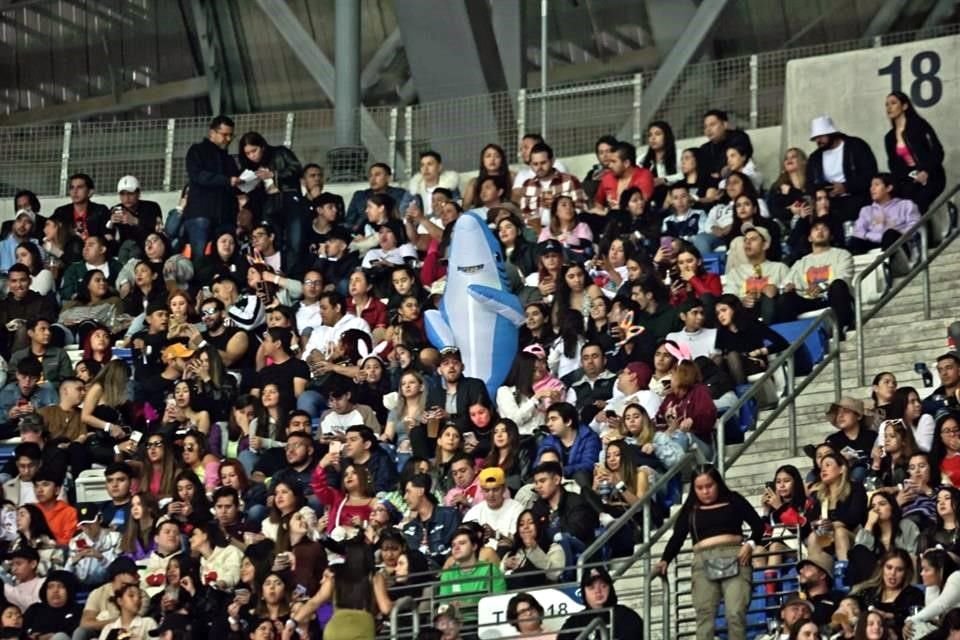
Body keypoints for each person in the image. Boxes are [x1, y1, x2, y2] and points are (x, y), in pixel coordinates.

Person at [656, 464, 764, 640]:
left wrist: (750, 544)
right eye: (699, 488)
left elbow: (758, 525)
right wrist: (665, 560)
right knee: (705, 617)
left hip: (736, 556)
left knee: (735, 613)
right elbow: (678, 537)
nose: (705, 491)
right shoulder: (690, 508)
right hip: (702, 559)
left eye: (709, 486)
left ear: (718, 484)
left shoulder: (733, 499)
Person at [778, 219, 855, 332]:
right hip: (808, 300)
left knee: (838, 285)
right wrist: (788, 287)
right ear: (809, 237)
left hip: (830, 298)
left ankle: (841, 329)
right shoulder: (801, 262)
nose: (820, 231)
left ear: (831, 236)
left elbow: (844, 277)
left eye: (824, 229)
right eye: (816, 229)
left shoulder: (842, 255)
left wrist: (822, 287)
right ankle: (790, 337)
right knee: (786, 298)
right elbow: (785, 284)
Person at [182, 115, 240, 261]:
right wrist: (227, 180)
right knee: (200, 256)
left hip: (224, 217)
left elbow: (234, 185)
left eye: (230, 135)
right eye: (224, 135)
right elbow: (198, 175)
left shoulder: (229, 159)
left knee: (223, 258)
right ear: (212, 132)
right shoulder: (197, 151)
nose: (228, 139)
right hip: (201, 214)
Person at [805, 115, 878, 223]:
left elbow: (870, 175)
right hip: (830, 204)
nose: (818, 140)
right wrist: (823, 190)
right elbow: (809, 184)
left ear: (832, 133)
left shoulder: (856, 146)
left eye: (821, 136)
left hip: (858, 199)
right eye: (816, 137)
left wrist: (845, 187)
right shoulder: (815, 158)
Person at [847, 174, 921, 275]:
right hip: (875, 244)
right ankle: (863, 274)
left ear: (889, 188)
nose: (872, 189)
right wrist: (880, 236)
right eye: (871, 185)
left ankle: (892, 269)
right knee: (854, 241)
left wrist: (885, 233)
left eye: (876, 185)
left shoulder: (906, 205)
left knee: (890, 234)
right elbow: (858, 232)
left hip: (899, 244)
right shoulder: (866, 210)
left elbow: (914, 229)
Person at [883, 91, 945, 212]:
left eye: (893, 103)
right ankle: (920, 230)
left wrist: (926, 171)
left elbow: (937, 152)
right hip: (909, 179)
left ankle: (923, 229)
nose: (889, 107)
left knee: (916, 205)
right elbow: (893, 165)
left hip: (932, 175)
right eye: (886, 105)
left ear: (904, 106)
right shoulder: (889, 137)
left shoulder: (919, 125)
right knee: (897, 206)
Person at [437, 525, 507, 626]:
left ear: (474, 546)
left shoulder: (490, 570)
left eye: (462, 543)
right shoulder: (448, 574)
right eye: (453, 545)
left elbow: (499, 601)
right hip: (454, 625)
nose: (456, 547)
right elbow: (443, 606)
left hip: (484, 623)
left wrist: (468, 606)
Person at [557, 566, 643, 640]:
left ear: (610, 588)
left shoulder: (626, 616)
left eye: (603, 586)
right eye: (591, 587)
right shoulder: (574, 622)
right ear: (583, 592)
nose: (598, 591)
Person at [518, 143, 588, 229]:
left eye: (543, 163)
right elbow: (524, 215)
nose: (539, 167)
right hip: (535, 232)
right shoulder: (528, 185)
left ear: (552, 161)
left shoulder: (570, 180)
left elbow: (581, 209)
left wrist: (557, 206)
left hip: (566, 228)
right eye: (535, 164)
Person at [345, 162, 409, 233]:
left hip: (390, 232)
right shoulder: (360, 196)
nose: (372, 179)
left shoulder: (399, 194)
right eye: (370, 175)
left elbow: (403, 218)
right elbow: (349, 222)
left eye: (377, 175)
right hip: (361, 234)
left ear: (388, 178)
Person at [22, 569, 83, 640]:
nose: (55, 591)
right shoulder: (35, 609)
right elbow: (21, 632)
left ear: (69, 589)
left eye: (61, 586)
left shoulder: (78, 610)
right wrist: (38, 637)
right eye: (50, 587)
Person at [50, 173, 110, 241]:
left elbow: (108, 237)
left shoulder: (100, 211)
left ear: (90, 192)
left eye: (80, 187)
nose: (75, 191)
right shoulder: (61, 212)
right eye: (72, 187)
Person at [698, 109, 754, 180]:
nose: (708, 129)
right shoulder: (705, 148)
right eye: (705, 127)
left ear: (725, 125)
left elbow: (735, 163)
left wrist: (719, 173)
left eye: (712, 124)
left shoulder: (739, 138)